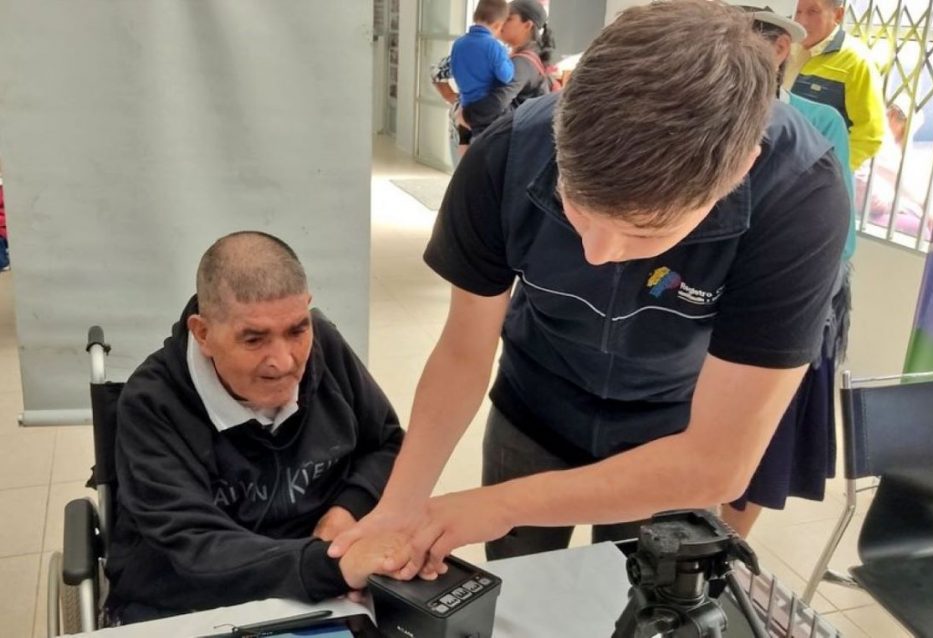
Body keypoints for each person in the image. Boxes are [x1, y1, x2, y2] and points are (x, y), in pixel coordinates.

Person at [330, 0, 848, 578]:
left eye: (642, 231)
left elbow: (717, 462)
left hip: (672, 428)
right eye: (574, 209)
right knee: (517, 581)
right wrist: (400, 507)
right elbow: (462, 351)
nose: (596, 254)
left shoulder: (800, 199)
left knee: (644, 597)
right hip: (535, 399)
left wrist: (499, 506)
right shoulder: (507, 154)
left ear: (738, 171)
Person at [106, 231, 407, 622]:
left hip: (322, 585)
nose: (283, 362)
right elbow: (196, 546)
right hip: (195, 600)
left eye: (297, 330)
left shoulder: (325, 348)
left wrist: (346, 510)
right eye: (254, 339)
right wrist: (331, 566)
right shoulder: (153, 404)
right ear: (203, 334)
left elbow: (387, 444)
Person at [720, 0, 855, 537]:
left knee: (757, 436)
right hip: (697, 296)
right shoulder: (699, 109)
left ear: (780, 48)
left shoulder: (817, 120)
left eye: (750, 37)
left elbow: (835, 229)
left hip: (777, 300)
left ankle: (727, 548)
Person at [785, 0, 885, 171]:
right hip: (780, 164)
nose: (801, 21)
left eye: (813, 12)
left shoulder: (856, 62)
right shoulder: (788, 48)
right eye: (797, 11)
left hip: (816, 175)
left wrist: (836, 170)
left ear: (838, 15)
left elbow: (869, 134)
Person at [460, 0, 557, 135]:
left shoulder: (521, 63)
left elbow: (494, 106)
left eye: (509, 18)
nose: (501, 21)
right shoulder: (519, 57)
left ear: (527, 25)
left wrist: (463, 114)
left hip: (511, 148)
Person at [450, 0, 515, 141]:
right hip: (486, 111)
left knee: (470, 150)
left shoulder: (458, 44)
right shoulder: (494, 46)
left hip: (465, 105)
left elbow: (453, 70)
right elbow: (507, 76)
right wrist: (508, 58)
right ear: (498, 25)